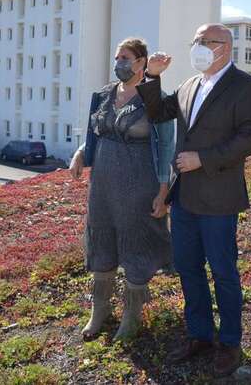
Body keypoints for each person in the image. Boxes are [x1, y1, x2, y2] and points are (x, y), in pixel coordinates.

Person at [136, 23, 251, 377]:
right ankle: (199, 335)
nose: (199, 46)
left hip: (219, 197)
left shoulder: (246, 87)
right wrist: (151, 76)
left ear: (225, 47)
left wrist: (202, 158)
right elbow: (159, 113)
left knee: (223, 272)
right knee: (188, 269)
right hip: (186, 198)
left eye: (206, 41)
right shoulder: (190, 85)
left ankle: (230, 342)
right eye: (195, 40)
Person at [69, 38, 175, 342]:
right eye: (117, 57)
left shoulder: (156, 98)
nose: (119, 63)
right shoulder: (104, 94)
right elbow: (97, 131)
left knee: (136, 246)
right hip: (102, 185)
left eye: (125, 57)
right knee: (101, 242)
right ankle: (99, 311)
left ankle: (131, 317)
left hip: (139, 185)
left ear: (141, 62)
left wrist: (163, 190)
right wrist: (80, 152)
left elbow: (166, 145)